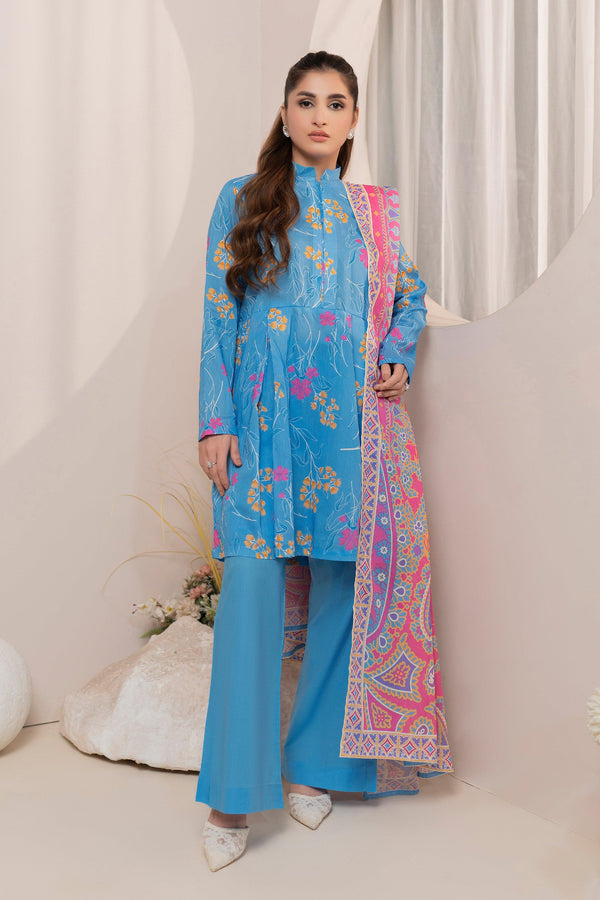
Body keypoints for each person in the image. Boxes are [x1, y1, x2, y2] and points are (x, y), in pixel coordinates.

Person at [195, 50, 453, 872]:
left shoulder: (371, 214)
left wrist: (398, 356)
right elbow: (218, 317)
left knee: (345, 593)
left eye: (335, 103)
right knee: (251, 596)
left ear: (351, 121)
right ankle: (232, 796)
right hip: (260, 429)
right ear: (284, 114)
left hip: (348, 432)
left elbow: (408, 296)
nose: (319, 115)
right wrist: (214, 421)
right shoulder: (242, 199)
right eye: (305, 101)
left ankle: (316, 767)